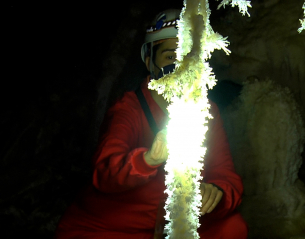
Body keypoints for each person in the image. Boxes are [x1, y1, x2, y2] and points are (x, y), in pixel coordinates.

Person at [54, 8, 248, 239]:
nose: (180, 66)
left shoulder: (208, 111)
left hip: (169, 226)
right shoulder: (129, 108)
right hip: (111, 228)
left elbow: (225, 175)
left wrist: (216, 192)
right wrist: (147, 161)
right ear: (149, 60)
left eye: (188, 56)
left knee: (232, 228)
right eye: (170, 56)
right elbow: (104, 172)